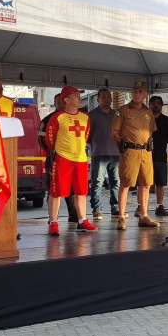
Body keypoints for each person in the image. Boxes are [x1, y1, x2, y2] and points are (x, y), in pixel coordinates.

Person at [45, 86, 97, 235]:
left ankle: (82, 221)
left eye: (79, 95)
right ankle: (53, 223)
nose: (80, 98)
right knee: (56, 192)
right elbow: (49, 138)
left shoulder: (85, 117)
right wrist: (59, 152)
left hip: (80, 159)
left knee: (81, 191)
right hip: (62, 159)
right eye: (76, 96)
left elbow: (85, 136)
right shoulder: (57, 117)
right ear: (66, 100)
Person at [111, 81, 159, 231]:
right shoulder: (123, 110)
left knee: (146, 184)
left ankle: (143, 215)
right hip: (129, 151)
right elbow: (114, 133)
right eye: (135, 91)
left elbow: (150, 132)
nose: (137, 94)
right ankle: (121, 217)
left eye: (140, 91)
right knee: (126, 184)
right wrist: (122, 148)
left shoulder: (148, 112)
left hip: (145, 151)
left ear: (145, 94)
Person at [40, 93, 77, 222]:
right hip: (54, 158)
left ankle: (74, 214)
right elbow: (41, 139)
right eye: (59, 102)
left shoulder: (74, 118)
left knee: (72, 188)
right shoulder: (48, 119)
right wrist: (52, 151)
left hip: (72, 158)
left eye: (63, 102)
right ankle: (53, 218)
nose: (61, 104)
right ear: (55, 104)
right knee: (54, 188)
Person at [87, 89, 120, 220]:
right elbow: (87, 135)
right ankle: (97, 209)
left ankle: (116, 208)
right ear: (98, 99)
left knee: (116, 182)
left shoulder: (117, 114)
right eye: (103, 97)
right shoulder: (92, 115)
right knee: (97, 182)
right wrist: (95, 145)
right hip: (98, 154)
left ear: (111, 99)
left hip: (115, 154)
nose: (106, 99)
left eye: (108, 97)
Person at [148, 95, 168, 217]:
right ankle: (140, 207)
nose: (156, 105)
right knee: (144, 183)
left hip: (160, 155)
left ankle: (159, 206)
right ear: (149, 104)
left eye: (158, 103)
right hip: (145, 155)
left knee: (160, 183)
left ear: (161, 106)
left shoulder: (166, 120)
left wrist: (162, 143)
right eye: (153, 103)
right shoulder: (144, 118)